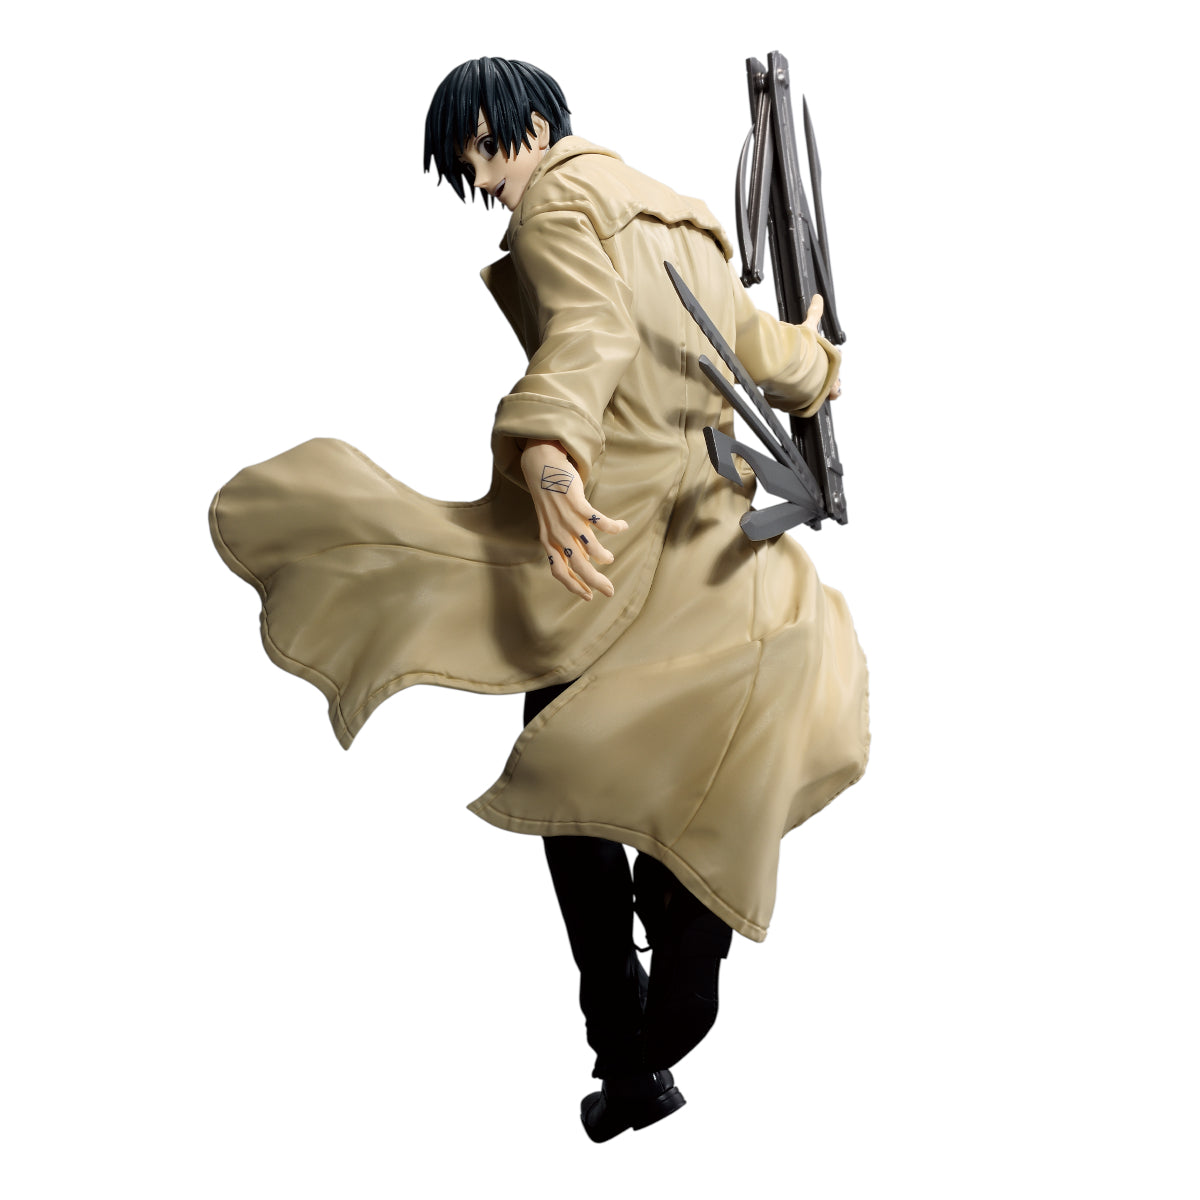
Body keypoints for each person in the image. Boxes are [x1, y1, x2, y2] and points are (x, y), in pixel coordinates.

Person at [209, 56, 869, 1142]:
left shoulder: (561, 209)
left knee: (563, 774)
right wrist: (820, 361)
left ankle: (633, 1035)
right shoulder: (685, 217)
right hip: (725, 550)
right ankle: (679, 937)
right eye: (466, 162)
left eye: (485, 146)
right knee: (678, 742)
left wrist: (553, 455)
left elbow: (588, 336)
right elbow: (761, 353)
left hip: (609, 550)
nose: (484, 177)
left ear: (534, 121)